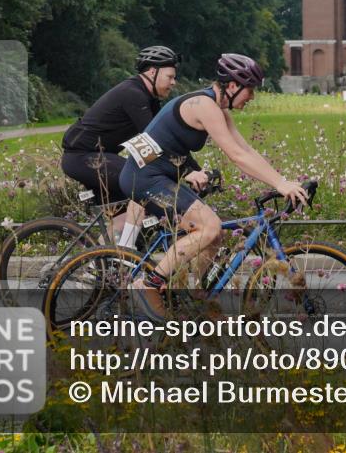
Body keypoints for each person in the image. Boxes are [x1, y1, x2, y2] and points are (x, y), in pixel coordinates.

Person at [119, 53, 308, 320]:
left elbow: (247, 150)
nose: (251, 97)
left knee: (214, 235)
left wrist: (283, 181)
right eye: (250, 90)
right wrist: (280, 183)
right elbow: (236, 155)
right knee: (210, 227)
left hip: (161, 175)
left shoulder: (218, 109)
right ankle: (147, 285)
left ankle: (195, 299)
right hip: (144, 176)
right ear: (232, 86)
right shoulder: (204, 105)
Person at [61, 46, 181, 248]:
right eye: (170, 76)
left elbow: (165, 139)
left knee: (122, 217)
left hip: (97, 157)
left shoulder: (149, 100)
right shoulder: (133, 94)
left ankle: (95, 266)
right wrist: (186, 171)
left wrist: (191, 168)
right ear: (152, 72)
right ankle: (126, 256)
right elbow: (153, 142)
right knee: (140, 185)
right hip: (82, 157)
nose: (173, 82)